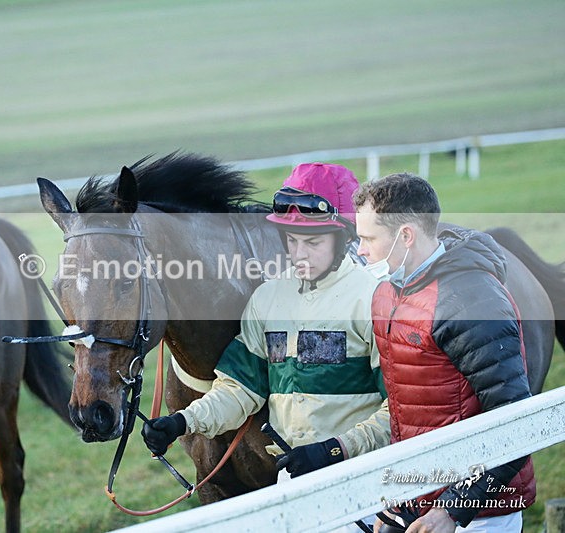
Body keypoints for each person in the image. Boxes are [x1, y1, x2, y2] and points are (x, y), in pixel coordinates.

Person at [142, 163, 390, 529]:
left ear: (344, 237)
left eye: (313, 242)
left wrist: (335, 449)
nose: (300, 254)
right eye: (292, 240)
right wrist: (182, 421)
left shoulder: (374, 302)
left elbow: (399, 411)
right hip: (291, 488)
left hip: (365, 489)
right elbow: (241, 388)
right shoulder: (268, 300)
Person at [353, 173, 535, 532]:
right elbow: (413, 413)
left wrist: (452, 509)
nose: (360, 250)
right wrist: (399, 501)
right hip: (420, 502)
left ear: (405, 236)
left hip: (478, 515)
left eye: (367, 238)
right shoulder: (388, 293)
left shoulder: (471, 300)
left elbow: (517, 423)